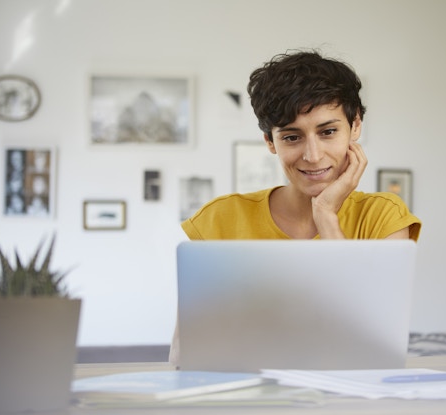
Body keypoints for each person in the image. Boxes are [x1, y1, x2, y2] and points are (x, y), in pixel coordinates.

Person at [170, 49, 421, 363]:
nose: (313, 155)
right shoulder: (220, 218)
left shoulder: (383, 217)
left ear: (355, 126)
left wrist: (327, 217)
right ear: (270, 142)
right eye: (292, 137)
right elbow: (183, 352)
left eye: (328, 132)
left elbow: (373, 342)